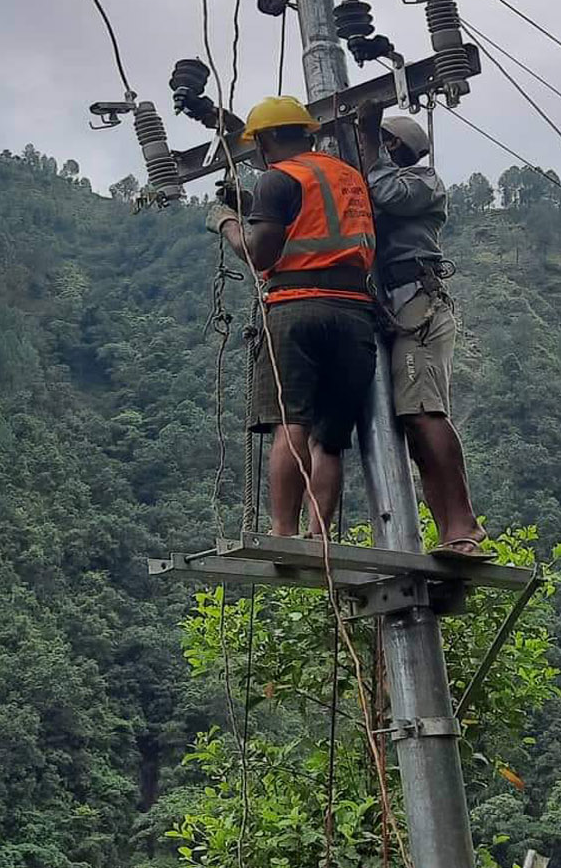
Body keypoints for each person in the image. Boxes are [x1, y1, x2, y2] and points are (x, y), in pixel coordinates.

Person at [208, 96, 376, 541]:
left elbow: (260, 251)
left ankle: (283, 530)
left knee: (292, 423)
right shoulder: (349, 177)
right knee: (331, 438)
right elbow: (313, 220)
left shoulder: (278, 179)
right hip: (355, 313)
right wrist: (253, 206)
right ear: (307, 133)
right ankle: (319, 534)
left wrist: (227, 222)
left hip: (296, 307)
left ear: (265, 141)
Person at [355, 102, 488, 558]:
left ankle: (462, 527)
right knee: (410, 423)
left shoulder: (423, 182)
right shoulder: (370, 181)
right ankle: (452, 530)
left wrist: (368, 141)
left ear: (394, 147)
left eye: (380, 142)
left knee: (422, 413)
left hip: (418, 306)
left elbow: (388, 193)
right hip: (389, 308)